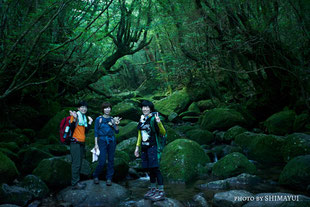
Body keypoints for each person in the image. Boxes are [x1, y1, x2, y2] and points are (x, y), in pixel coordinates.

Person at [134, 100, 166, 201]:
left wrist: (159, 122)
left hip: (153, 147)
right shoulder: (142, 119)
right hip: (144, 148)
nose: (145, 109)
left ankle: (161, 191)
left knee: (155, 168)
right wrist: (137, 147)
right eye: (143, 107)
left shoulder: (153, 119)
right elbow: (139, 134)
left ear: (150, 108)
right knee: (149, 169)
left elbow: (163, 132)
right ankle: (153, 189)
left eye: (147, 107)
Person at [93, 102, 121, 186]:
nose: (107, 109)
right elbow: (96, 132)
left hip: (111, 140)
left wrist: (116, 124)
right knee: (102, 161)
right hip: (102, 140)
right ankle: (95, 175)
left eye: (109, 108)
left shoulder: (112, 119)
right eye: (106, 108)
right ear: (103, 109)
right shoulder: (99, 119)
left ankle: (109, 178)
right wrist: (96, 144)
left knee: (111, 160)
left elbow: (117, 131)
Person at [69, 101, 93, 190]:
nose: (84, 109)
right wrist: (74, 119)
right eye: (82, 107)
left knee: (79, 163)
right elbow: (71, 127)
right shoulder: (75, 116)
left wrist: (90, 122)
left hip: (81, 142)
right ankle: (74, 183)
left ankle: (77, 181)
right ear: (78, 108)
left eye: (85, 107)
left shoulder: (83, 117)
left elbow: (85, 131)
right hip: (75, 142)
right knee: (76, 163)